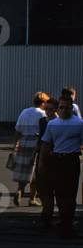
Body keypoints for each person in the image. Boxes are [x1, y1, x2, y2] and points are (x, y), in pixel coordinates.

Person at [40, 94, 83, 238]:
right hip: (57, 160)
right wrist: (42, 164)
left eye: (67, 107)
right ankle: (63, 221)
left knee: (70, 193)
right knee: (59, 192)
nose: (64, 110)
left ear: (72, 108)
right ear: (58, 109)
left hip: (71, 161)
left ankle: (67, 224)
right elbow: (46, 145)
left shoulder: (79, 124)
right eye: (61, 107)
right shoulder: (53, 124)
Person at [12, 92, 48, 205]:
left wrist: (15, 144)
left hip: (23, 141)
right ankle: (32, 198)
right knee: (36, 171)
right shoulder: (43, 114)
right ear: (43, 102)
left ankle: (19, 190)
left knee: (24, 170)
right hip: (36, 142)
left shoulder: (25, 111)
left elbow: (17, 129)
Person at [34, 97, 58, 224]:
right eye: (46, 109)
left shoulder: (58, 122)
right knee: (41, 185)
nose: (48, 111)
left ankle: (48, 212)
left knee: (52, 186)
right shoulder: (42, 121)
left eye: (51, 109)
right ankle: (46, 209)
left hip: (54, 156)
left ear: (56, 110)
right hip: (42, 154)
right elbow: (41, 138)